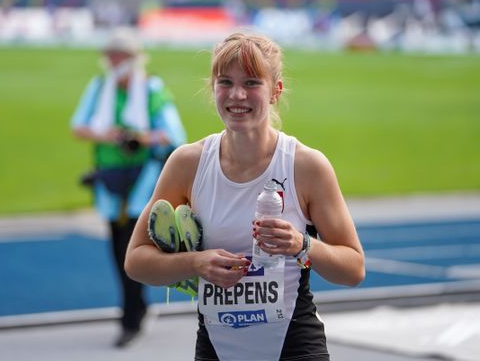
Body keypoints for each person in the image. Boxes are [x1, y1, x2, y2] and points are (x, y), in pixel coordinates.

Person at [125, 31, 365, 360]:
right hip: (216, 349)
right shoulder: (187, 164)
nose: (237, 95)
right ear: (213, 88)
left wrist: (302, 245)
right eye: (225, 82)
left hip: (294, 347)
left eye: (252, 82)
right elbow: (136, 261)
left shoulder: (306, 166)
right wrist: (196, 263)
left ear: (275, 91)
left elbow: (353, 269)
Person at [70, 27, 186, 347]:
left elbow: (174, 135)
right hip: (109, 179)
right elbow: (79, 127)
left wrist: (138, 138)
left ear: (133, 58)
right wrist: (109, 135)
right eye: (111, 55)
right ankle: (137, 308)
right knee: (116, 249)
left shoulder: (151, 89)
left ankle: (130, 318)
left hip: (142, 181)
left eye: (119, 55)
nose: (113, 61)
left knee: (129, 250)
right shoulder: (99, 88)